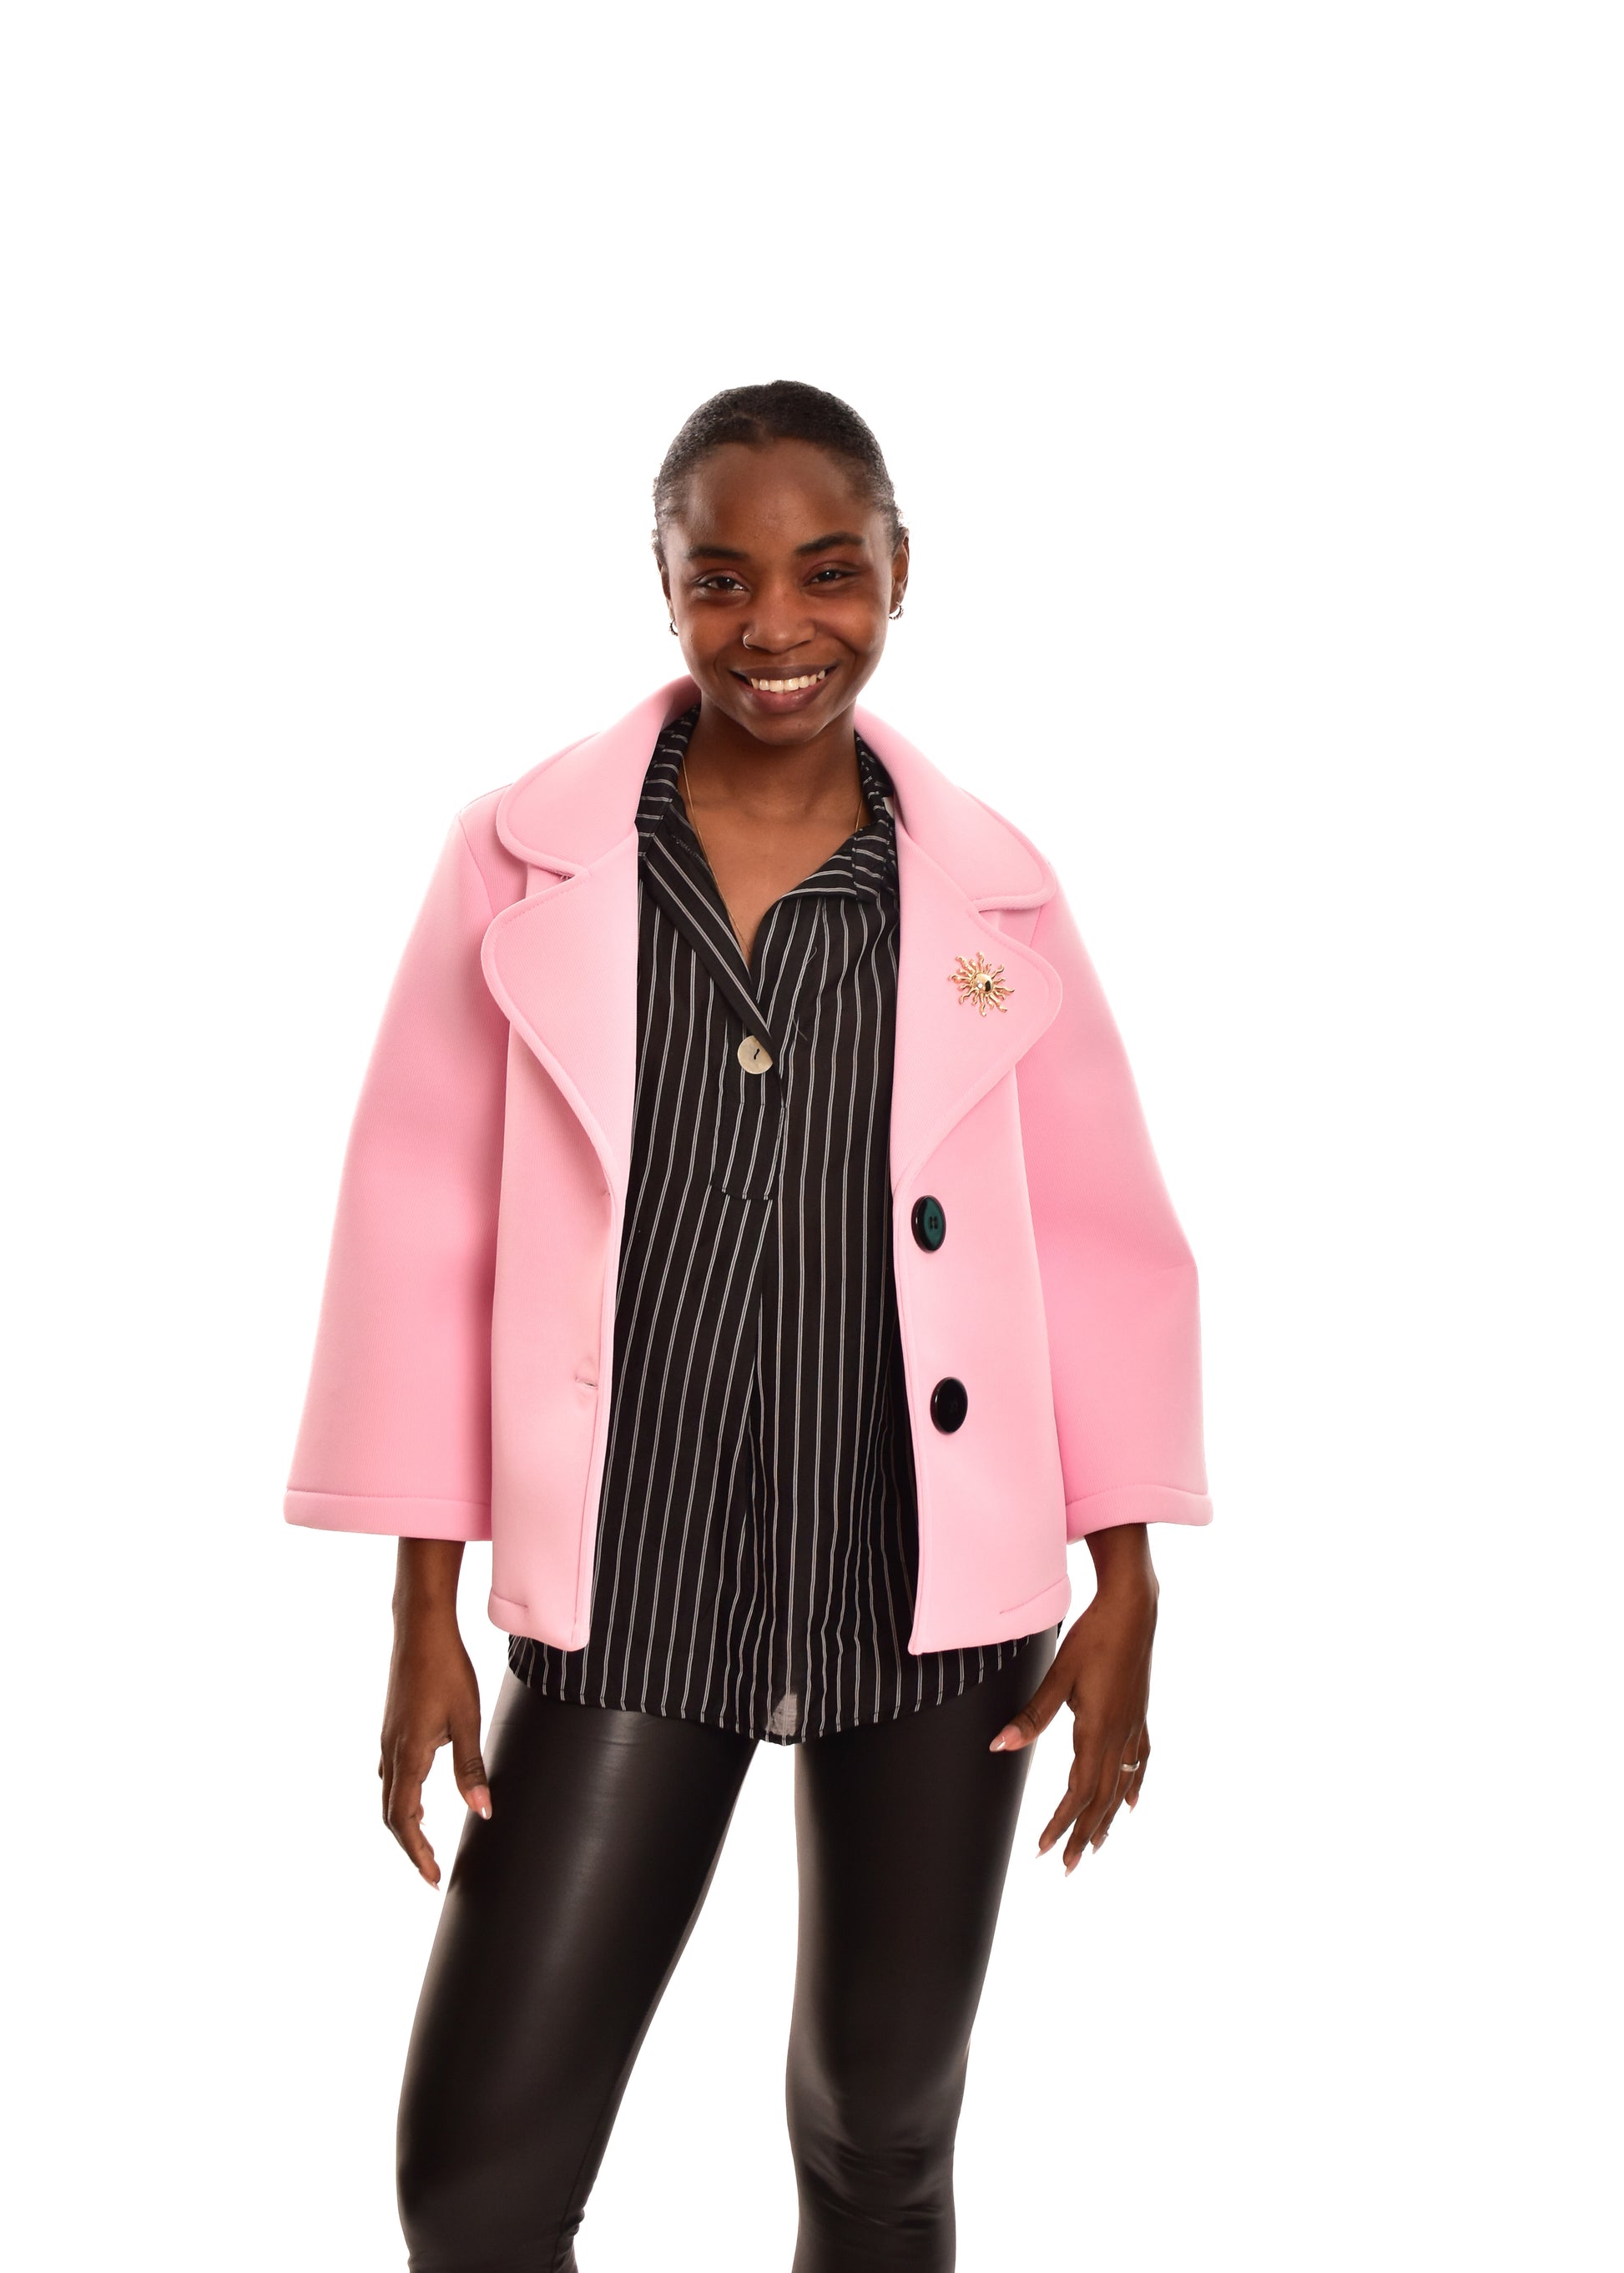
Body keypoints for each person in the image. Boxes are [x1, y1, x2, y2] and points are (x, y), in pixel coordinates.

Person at [285, 380, 1213, 2271]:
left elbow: (1101, 1240)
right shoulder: (522, 863)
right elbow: (420, 1227)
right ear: (663, 584)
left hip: (931, 1587)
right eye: (720, 578)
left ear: (901, 574)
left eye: (828, 571)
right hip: (631, 1570)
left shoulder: (993, 895)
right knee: (475, 2186)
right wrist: (419, 1608)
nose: (777, 623)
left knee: (878, 2138)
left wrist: (1125, 1578)